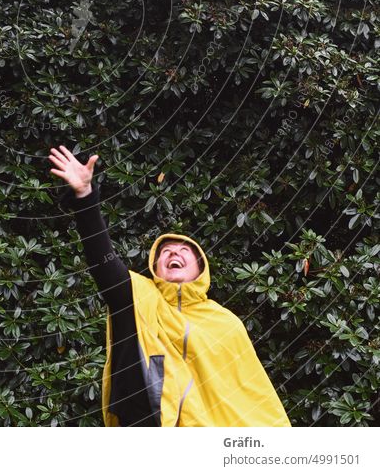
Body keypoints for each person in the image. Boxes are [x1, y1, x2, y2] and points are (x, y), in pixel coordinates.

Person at [49, 144, 291, 427]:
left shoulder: (226, 323)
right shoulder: (139, 297)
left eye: (183, 250)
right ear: (156, 267)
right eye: (165, 251)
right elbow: (104, 266)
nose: (174, 253)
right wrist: (85, 197)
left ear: (201, 269)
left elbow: (254, 397)